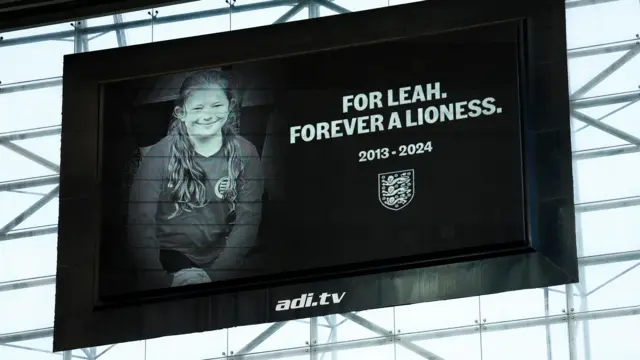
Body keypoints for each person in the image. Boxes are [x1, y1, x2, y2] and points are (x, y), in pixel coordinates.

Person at [127, 69, 264, 290]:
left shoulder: (245, 152)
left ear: (230, 107)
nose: (207, 115)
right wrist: (162, 280)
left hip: (221, 252)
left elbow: (249, 219)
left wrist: (216, 273)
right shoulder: (159, 156)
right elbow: (140, 222)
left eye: (217, 106)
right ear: (181, 112)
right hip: (170, 251)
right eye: (198, 107)